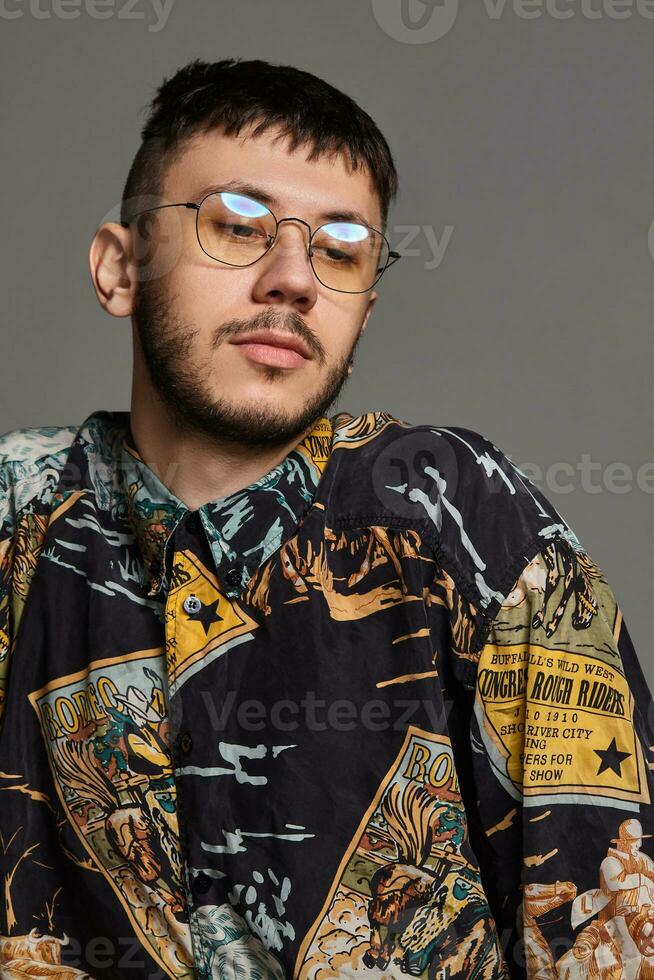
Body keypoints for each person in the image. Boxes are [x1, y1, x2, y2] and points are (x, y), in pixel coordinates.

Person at [0, 57, 652, 980]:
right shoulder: (18, 519)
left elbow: (612, 926)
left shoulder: (455, 513)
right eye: (237, 226)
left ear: (363, 309)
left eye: (341, 250)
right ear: (120, 267)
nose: (293, 278)